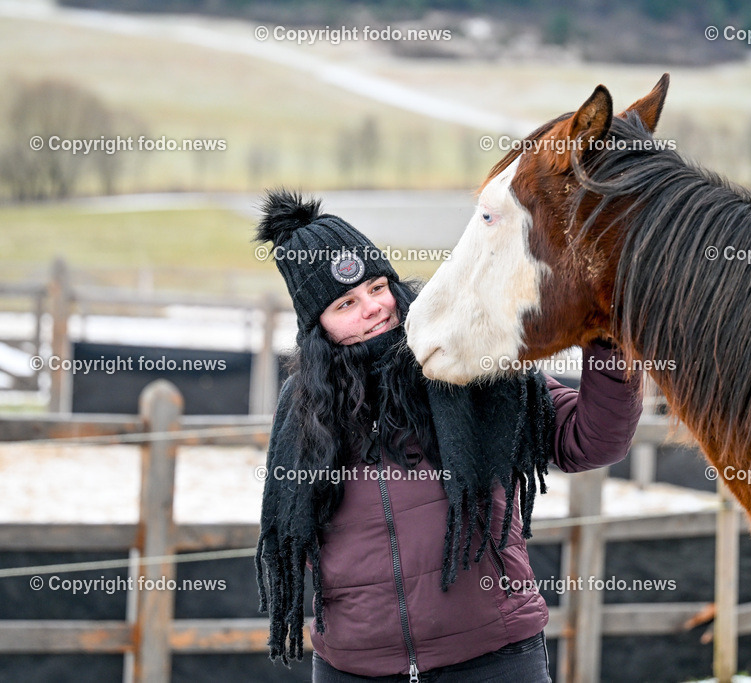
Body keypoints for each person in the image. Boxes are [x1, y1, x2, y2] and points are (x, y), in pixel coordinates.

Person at [253, 191, 643, 683]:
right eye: (346, 303)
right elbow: (294, 538)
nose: (373, 308)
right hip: (355, 668)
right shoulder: (303, 410)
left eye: (377, 287)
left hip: (493, 659)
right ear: (318, 327)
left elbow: (590, 440)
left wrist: (606, 337)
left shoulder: (464, 358)